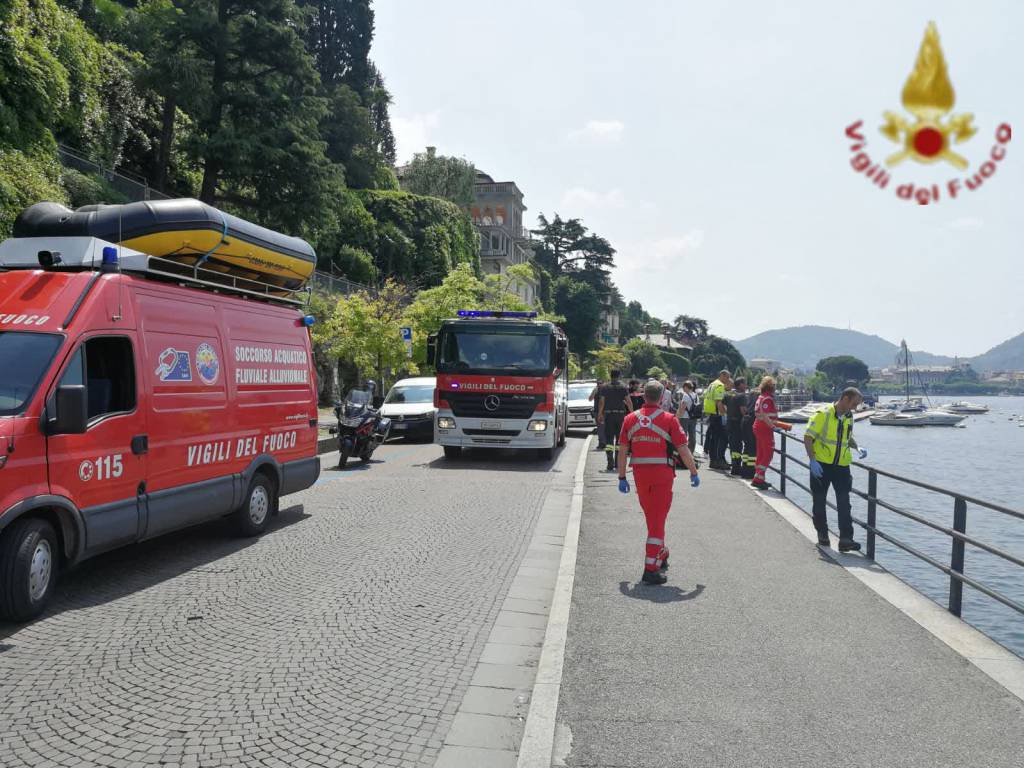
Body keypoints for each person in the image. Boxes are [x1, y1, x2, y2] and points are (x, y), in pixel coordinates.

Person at [617, 380, 700, 585]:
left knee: (652, 519)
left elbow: (622, 451)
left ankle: (661, 553)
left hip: (639, 477)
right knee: (657, 522)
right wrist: (693, 471)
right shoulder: (670, 419)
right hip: (662, 476)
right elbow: (683, 449)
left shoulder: (629, 419)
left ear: (644, 396)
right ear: (663, 397)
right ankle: (650, 569)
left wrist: (621, 477)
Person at [804, 386, 868, 551]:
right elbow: (808, 436)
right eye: (854, 404)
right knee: (819, 501)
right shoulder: (823, 415)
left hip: (841, 466)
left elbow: (847, 437)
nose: (855, 408)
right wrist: (812, 460)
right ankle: (823, 535)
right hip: (822, 465)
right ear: (845, 398)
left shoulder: (848, 416)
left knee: (844, 503)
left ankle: (846, 539)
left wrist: (857, 447)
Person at [751, 376, 791, 489]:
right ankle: (758, 478)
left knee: (761, 453)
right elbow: (764, 416)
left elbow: (760, 415)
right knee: (768, 453)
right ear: (770, 387)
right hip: (765, 429)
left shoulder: (761, 397)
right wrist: (773, 426)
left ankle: (758, 477)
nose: (775, 388)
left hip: (759, 428)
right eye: (774, 385)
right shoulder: (767, 399)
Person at [597, 370, 632, 471]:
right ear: (619, 376)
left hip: (609, 416)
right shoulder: (623, 387)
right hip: (620, 416)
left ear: (610, 375)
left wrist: (600, 414)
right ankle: (617, 463)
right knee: (619, 440)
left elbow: (601, 402)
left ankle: (610, 463)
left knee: (609, 440)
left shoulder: (605, 387)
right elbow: (628, 401)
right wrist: (633, 413)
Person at [702, 369, 731, 470]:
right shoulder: (719, 385)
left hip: (711, 414)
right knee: (721, 438)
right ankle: (718, 460)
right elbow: (719, 402)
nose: (728, 380)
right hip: (717, 415)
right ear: (722, 375)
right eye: (727, 377)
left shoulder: (712, 384)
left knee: (714, 439)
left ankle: (713, 461)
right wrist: (724, 415)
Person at [724, 377, 749, 475]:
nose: (746, 386)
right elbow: (743, 410)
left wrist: (727, 414)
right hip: (738, 423)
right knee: (739, 446)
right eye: (745, 384)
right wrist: (748, 417)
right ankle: (738, 468)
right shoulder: (741, 396)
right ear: (741, 385)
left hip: (729, 422)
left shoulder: (728, 394)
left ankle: (735, 466)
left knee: (733, 446)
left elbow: (721, 405)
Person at [740, 383, 758, 479]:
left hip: (745, 420)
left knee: (746, 447)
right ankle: (751, 471)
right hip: (752, 421)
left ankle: (745, 469)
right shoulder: (758, 398)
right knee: (752, 448)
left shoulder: (750, 396)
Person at [675, 380, 698, 451]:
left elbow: (682, 408)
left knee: (683, 435)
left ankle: (683, 452)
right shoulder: (696, 395)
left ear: (686, 387)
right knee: (692, 435)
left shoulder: (685, 395)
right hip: (693, 417)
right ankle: (691, 451)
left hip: (684, 417)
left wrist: (677, 417)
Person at [590, 380, 606, 450]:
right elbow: (590, 399)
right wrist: (594, 392)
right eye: (598, 383)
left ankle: (604, 443)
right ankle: (602, 443)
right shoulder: (596, 390)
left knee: (603, 428)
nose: (599, 385)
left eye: (601, 383)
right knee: (600, 428)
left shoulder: (606, 390)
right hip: (598, 411)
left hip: (604, 412)